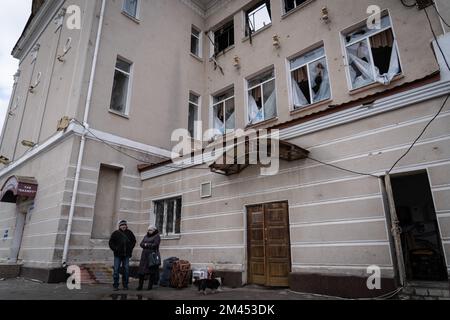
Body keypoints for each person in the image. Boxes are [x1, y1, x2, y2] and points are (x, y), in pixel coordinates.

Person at [108, 220, 136, 291]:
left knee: (126, 270)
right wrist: (115, 248)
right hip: (117, 255)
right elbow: (111, 243)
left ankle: (125, 285)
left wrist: (130, 248)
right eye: (122, 225)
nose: (123, 226)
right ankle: (116, 285)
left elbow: (134, 241)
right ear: (119, 226)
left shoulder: (129, 233)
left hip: (126, 255)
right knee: (116, 270)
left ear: (126, 226)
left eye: (124, 225)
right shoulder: (115, 233)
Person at [137, 226, 161, 291]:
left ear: (154, 230)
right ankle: (140, 286)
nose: (149, 231)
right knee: (141, 272)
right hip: (144, 256)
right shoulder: (146, 236)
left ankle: (150, 286)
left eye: (150, 230)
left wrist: (146, 245)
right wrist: (147, 245)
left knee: (151, 272)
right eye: (148, 230)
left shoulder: (157, 236)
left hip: (152, 256)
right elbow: (141, 244)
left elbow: (155, 245)